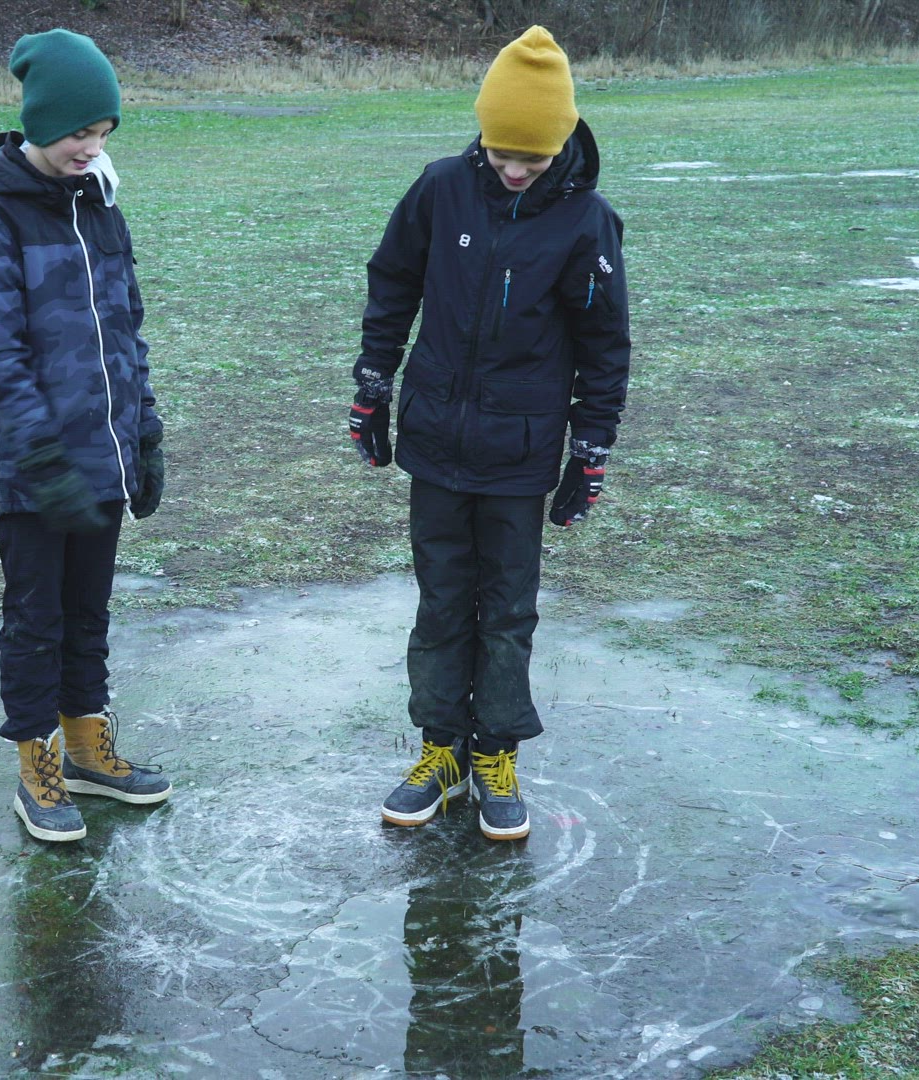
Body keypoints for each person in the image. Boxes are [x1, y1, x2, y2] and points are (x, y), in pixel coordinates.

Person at [350, 25, 631, 841]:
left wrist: (591, 448)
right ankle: (440, 750)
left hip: (519, 452)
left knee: (506, 610)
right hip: (436, 441)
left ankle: (495, 753)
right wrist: (374, 384)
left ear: (561, 143)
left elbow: (605, 345)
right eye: (503, 152)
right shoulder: (441, 188)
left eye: (532, 158)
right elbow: (393, 282)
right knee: (441, 602)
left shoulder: (587, 222)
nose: (514, 169)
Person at [0, 28, 171, 843]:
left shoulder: (101, 208)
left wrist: (144, 431)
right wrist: (41, 456)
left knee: (88, 612)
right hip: (33, 468)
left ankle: (88, 750)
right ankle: (36, 765)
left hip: (102, 456)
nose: (92, 147)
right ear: (43, 121)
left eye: (104, 132)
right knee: (36, 617)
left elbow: (127, 329)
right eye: (80, 131)